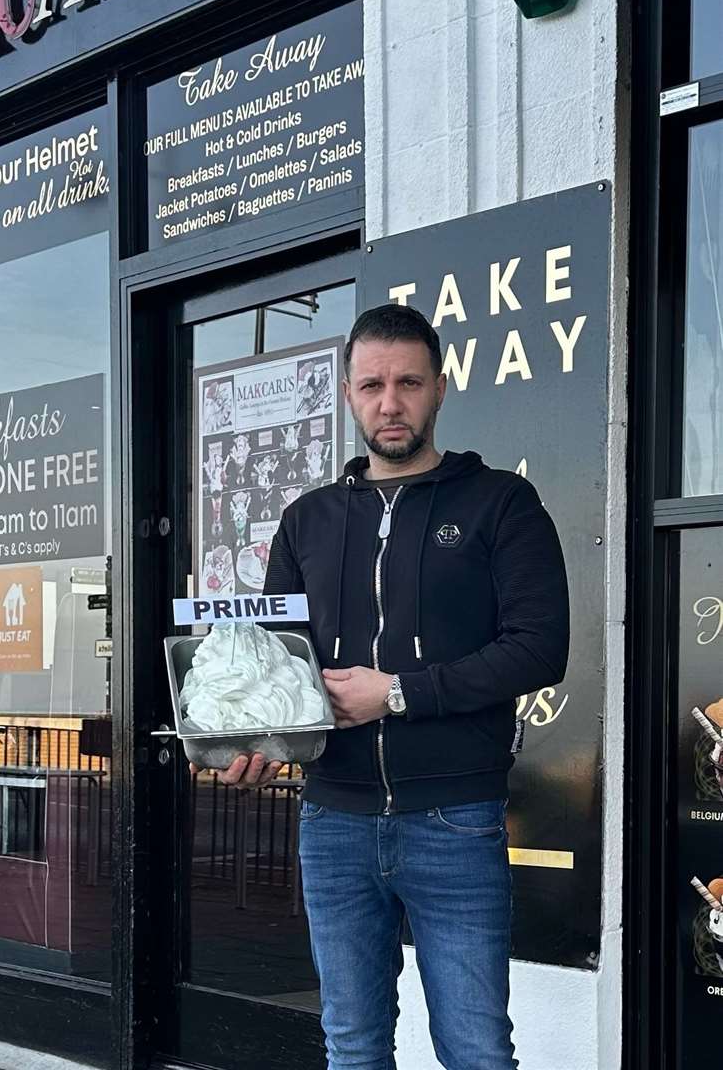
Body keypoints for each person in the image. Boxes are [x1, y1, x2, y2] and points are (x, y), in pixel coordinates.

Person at [224, 304, 569, 1069]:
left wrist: (401, 692)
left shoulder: (500, 505)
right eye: (372, 384)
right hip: (334, 821)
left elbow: (540, 649)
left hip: (455, 818)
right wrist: (258, 736)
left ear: (440, 388)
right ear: (348, 393)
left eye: (408, 383)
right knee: (352, 1044)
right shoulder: (306, 521)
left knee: (476, 1050)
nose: (390, 402)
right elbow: (278, 661)